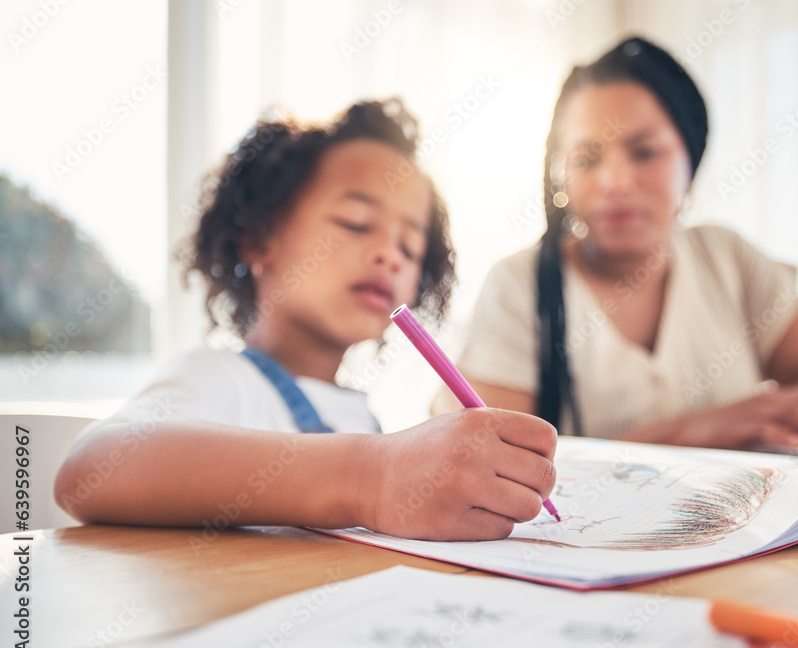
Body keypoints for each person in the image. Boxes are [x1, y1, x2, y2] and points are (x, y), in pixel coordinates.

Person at [54, 100, 556, 541]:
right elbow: (91, 469)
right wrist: (371, 479)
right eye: (356, 223)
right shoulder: (221, 379)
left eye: (409, 246)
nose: (389, 255)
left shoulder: (362, 419)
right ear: (258, 242)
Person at [440, 37, 798, 449]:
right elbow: (494, 462)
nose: (614, 182)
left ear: (691, 163)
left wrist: (778, 415)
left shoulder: (727, 258)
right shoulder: (519, 286)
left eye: (644, 152)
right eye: (587, 158)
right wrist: (703, 429)